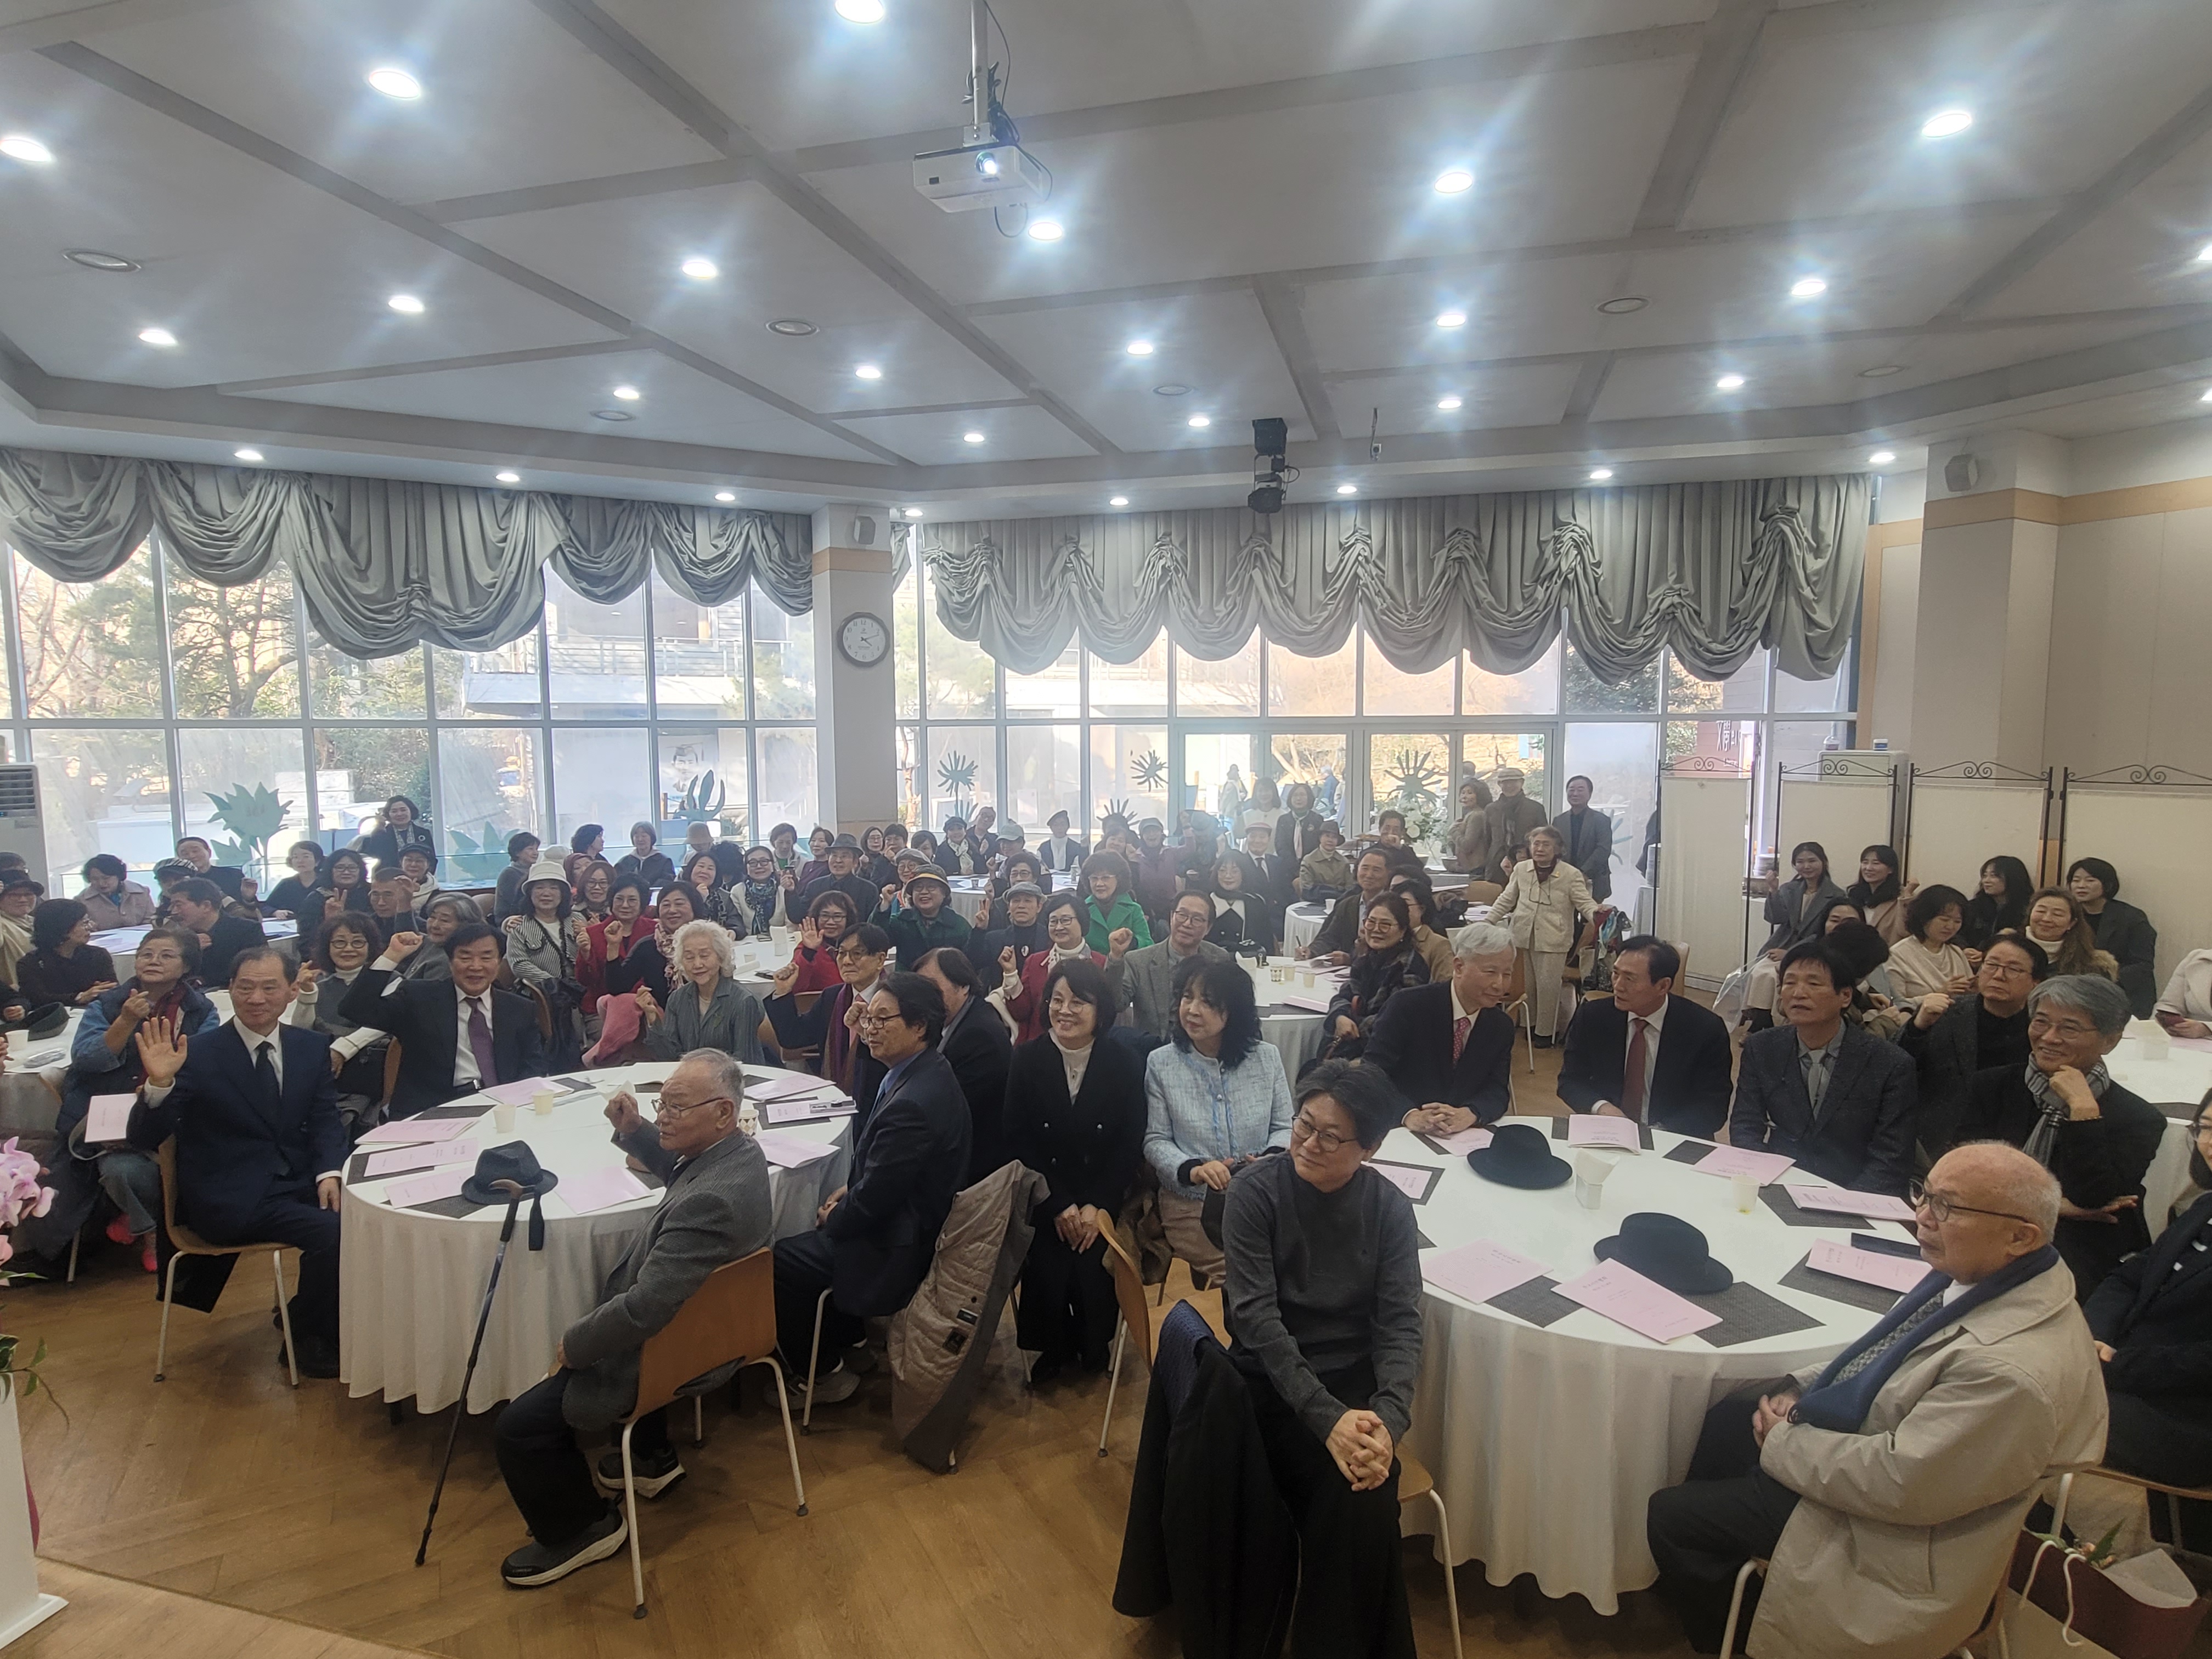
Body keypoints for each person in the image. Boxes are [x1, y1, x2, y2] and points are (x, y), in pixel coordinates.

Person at [1646, 1142, 2104, 1658]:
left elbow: (1901, 1484)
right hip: (1874, 1452)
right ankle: (1722, 1578)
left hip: (1891, 1533)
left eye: (1947, 1207)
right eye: (1924, 1194)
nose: (1921, 1215)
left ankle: (1746, 1636)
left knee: (1671, 1516)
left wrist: (1783, 1442)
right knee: (1728, 1414)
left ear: (2021, 1236)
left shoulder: (2011, 1374)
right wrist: (1798, 1388)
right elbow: (1883, 1358)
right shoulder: (1992, 1276)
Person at [492, 1049, 772, 1588]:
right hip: (714, 1329)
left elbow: (644, 1309)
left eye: (676, 1107)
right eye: (661, 1104)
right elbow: (685, 1174)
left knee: (518, 1428)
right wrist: (635, 1130)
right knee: (637, 1319)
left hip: (677, 1349)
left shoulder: (710, 1203)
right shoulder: (740, 1154)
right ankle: (650, 1457)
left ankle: (585, 1528)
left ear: (722, 1113)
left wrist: (575, 1344)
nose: (663, 1115)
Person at [1221, 1060, 1423, 1659]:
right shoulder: (1255, 1193)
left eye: (1331, 1137)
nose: (1309, 1144)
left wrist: (1388, 1423)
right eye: (1304, 1125)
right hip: (1269, 1383)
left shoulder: (1389, 1208)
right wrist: (1328, 1419)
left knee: (1366, 1483)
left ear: (1371, 1148)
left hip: (1352, 1386)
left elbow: (1400, 1323)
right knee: (1357, 1494)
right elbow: (1257, 1321)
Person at [126, 947, 348, 1377]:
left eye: (269, 988)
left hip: (297, 1182)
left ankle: (308, 1315)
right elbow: (144, 1138)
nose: (256, 998)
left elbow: (325, 1118)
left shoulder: (309, 1047)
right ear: (230, 989)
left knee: (368, 1216)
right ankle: (308, 1340)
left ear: (292, 992)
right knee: (334, 1232)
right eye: (245, 987)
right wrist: (159, 1084)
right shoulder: (196, 1052)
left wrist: (329, 1171)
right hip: (230, 1194)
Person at [771, 974, 971, 1406]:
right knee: (824, 1220)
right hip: (912, 1214)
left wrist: (836, 1218)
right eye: (868, 1018)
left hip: (900, 1243)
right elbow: (886, 1176)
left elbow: (876, 1202)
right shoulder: (926, 1069)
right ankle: (853, 1342)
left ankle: (824, 1376)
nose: (870, 1028)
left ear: (919, 1026)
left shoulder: (913, 1103)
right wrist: (852, 1189)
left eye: (883, 1020)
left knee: (782, 1258)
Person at [14, 927, 217, 1276]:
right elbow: (86, 1060)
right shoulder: (108, 1004)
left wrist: (160, 1084)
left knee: (196, 1158)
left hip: (173, 1113)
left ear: (186, 966)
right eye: (146, 954)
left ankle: (140, 1219)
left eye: (166, 955)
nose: (153, 961)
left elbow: (207, 1067)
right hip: (107, 1120)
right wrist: (125, 1021)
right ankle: (149, 1230)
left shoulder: (199, 1010)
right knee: (119, 1170)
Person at [1954, 973, 2166, 1301]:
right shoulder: (1992, 1086)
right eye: (2041, 1022)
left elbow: (2093, 1197)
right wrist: (2058, 1206)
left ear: (2110, 1041)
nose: (2049, 1037)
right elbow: (1964, 1175)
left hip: (2080, 1251)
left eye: (2069, 1028)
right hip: (1987, 1233)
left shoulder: (2139, 1118)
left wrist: (2083, 1111)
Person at [1004, 958, 1146, 1385]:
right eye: (1056, 1000)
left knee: (1093, 1262)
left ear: (1101, 1010)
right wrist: (1059, 1204)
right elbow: (1018, 1139)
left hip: (1102, 1190)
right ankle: (1053, 1347)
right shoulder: (1027, 1059)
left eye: (1078, 1002)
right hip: (1046, 1190)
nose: (1064, 1011)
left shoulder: (1123, 1063)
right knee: (1048, 1260)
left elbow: (1129, 1144)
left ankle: (1094, 1344)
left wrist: (1098, 1205)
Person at [2085, 1092, 2212, 1530]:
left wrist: (2115, 1365)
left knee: (2020, 1405)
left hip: (2189, 1421)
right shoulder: (2204, 1207)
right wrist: (2094, 1337)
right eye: (2206, 1127)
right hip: (2130, 1385)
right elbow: (2129, 1278)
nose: (2211, 1142)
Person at [1142, 957, 1293, 1283]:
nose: (1192, 1010)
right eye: (1187, 997)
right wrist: (1194, 1169)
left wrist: (1269, 1159)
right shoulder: (1162, 1063)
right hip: (1193, 1206)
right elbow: (1156, 1140)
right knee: (1247, 1279)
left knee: (1295, 1269)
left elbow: (1284, 1127)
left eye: (1208, 1002)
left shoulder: (1266, 1058)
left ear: (1234, 1010)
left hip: (1262, 1199)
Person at [1728, 940, 1918, 1195]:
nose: (1798, 993)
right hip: (1778, 1183)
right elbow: (1745, 1126)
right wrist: (1765, 1184)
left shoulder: (1890, 1063)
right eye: (1790, 983)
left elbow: (1891, 1157)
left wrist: (1845, 1203)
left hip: (1853, 1192)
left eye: (1814, 984)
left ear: (1845, 996)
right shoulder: (1762, 1048)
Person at [340, 923, 548, 1116]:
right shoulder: (419, 998)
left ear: (499, 962)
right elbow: (356, 1010)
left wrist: (518, 1103)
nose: (476, 966)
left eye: (486, 958)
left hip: (504, 1106)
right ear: (450, 962)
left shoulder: (520, 1008)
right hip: (436, 1109)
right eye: (465, 957)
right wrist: (392, 956)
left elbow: (532, 1064)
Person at [1557, 936, 1733, 1135]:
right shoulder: (1594, 1016)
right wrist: (1602, 1108)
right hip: (1608, 1132)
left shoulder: (1704, 1029)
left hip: (1673, 1136)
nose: (1618, 986)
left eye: (1630, 979)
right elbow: (1570, 1081)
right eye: (1616, 974)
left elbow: (1712, 1107)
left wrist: (1655, 1133)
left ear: (1663, 986)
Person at [1900, 934, 2048, 1157]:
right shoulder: (1946, 1013)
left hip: (2016, 1142)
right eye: (1991, 965)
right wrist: (1918, 1027)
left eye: (2013, 969)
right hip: (1939, 1137)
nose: (1998, 976)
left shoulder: (2043, 1028)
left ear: (2036, 982)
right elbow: (1898, 1068)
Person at [1365, 920, 1517, 1133]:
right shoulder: (1408, 1006)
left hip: (1462, 1135)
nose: (1499, 985)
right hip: (1399, 1129)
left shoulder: (1500, 1026)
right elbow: (1372, 1073)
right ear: (1459, 967)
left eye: (1507, 974)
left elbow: (1497, 1089)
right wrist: (1409, 1115)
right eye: (1490, 972)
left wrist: (1471, 1112)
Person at [1483, 822, 1593, 1046]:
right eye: (1536, 844)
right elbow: (1507, 899)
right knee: (1530, 986)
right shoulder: (1521, 869)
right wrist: (1488, 921)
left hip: (1554, 937)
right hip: (1524, 935)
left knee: (1548, 987)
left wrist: (1598, 914)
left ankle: (1546, 1032)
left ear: (1558, 849)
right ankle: (1530, 1025)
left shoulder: (1571, 874)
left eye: (1546, 845)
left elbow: (1585, 903)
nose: (1540, 849)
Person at [915, 948, 1014, 1185]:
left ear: (963, 986)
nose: (922, 996)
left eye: (932, 986)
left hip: (973, 1168)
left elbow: (948, 1111)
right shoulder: (958, 1019)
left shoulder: (979, 1035)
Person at [763, 924, 890, 1099]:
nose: (847, 961)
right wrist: (784, 992)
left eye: (857, 954)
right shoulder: (833, 997)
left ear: (880, 960)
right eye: (842, 953)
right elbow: (793, 1038)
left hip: (883, 1097)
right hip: (834, 1097)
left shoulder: (896, 1000)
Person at [287, 913, 388, 1130]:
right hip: (322, 1079)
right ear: (328, 948)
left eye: (358, 942)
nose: (348, 949)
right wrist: (307, 994)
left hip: (370, 1081)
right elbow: (300, 1031)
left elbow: (385, 1024)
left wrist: (343, 1049)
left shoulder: (389, 981)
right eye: (340, 943)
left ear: (370, 946)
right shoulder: (320, 984)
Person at [1739, 842, 1848, 1030]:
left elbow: (1825, 933)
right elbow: (1775, 918)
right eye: (1800, 862)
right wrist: (1773, 890)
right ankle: (1760, 1021)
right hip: (1782, 944)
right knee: (1758, 973)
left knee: (1775, 976)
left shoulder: (1836, 895)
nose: (1806, 866)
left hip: (1814, 950)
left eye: (1812, 861)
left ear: (1823, 862)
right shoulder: (1790, 889)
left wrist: (1791, 952)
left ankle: (1769, 1025)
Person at [635, 921, 764, 1063]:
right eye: (689, 958)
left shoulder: (743, 1001)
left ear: (720, 957)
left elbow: (746, 1061)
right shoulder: (677, 999)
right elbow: (669, 1057)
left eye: (704, 956)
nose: (697, 964)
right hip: (689, 1074)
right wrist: (653, 1018)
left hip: (730, 1075)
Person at [1322, 893, 1428, 1064]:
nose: (1376, 929)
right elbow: (1344, 995)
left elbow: (1395, 1021)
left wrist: (1354, 1028)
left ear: (1402, 930)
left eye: (1385, 925)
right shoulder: (1365, 961)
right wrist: (1340, 1017)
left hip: (1388, 1056)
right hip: (1357, 1046)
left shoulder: (1410, 968)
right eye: (1371, 922)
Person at [1113, 890, 1228, 1043]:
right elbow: (1117, 1004)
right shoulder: (1139, 960)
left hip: (1203, 1046)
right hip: (1153, 1047)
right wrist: (1115, 958)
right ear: (1171, 917)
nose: (1187, 924)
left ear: (1208, 927)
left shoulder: (1218, 958)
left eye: (1197, 919)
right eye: (1182, 915)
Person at [504, 858, 589, 1065]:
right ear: (530, 894)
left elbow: (590, 957)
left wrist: (588, 939)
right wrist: (553, 983)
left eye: (553, 888)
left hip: (580, 992)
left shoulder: (577, 920)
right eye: (540, 888)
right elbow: (519, 964)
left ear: (563, 894)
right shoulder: (519, 927)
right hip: (540, 996)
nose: (546, 893)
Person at [1000, 892, 1109, 1045]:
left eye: (1065, 920)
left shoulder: (1100, 963)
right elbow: (1021, 1013)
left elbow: (1105, 1013)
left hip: (1087, 1045)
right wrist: (1010, 973)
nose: (1059, 927)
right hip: (1040, 1045)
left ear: (1082, 922)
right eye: (1053, 921)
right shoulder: (1035, 962)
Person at [2067, 856, 2159, 1018]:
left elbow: (2142, 964)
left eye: (2090, 880)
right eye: (2076, 880)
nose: (2081, 885)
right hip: (2072, 993)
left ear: (2107, 885)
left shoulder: (2131, 918)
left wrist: (2103, 978)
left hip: (2121, 994)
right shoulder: (2067, 915)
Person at [605, 882, 702, 1008]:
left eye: (679, 904)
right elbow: (617, 987)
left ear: (695, 907)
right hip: (661, 1016)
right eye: (666, 905)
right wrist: (613, 946)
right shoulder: (649, 946)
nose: (672, 910)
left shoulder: (710, 941)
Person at [1884, 883, 1976, 1003]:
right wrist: (1940, 994)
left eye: (1957, 921)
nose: (1950, 926)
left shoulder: (1956, 952)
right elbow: (1893, 1003)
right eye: (1944, 919)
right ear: (1924, 918)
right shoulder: (1897, 955)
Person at [16, 900, 117, 1008]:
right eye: (84, 923)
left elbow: (113, 989)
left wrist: (100, 992)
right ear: (63, 928)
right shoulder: (30, 964)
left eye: (88, 922)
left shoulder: (98, 955)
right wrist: (80, 997)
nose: (89, 928)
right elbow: (38, 999)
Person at [166, 877, 266, 985]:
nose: (173, 912)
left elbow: (255, 972)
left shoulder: (247, 930)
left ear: (206, 906)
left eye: (178, 905)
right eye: (172, 906)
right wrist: (191, 950)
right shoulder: (177, 938)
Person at [874, 869, 974, 973]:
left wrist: (980, 931)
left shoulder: (958, 925)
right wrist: (885, 904)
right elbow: (876, 942)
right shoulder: (901, 921)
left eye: (931, 887)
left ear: (944, 893)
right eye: (918, 887)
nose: (924, 892)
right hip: (907, 981)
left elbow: (971, 961)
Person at [580, 874, 650, 1020]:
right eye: (619, 899)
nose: (625, 905)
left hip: (646, 1006)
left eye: (632, 900)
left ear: (642, 904)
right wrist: (586, 954)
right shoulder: (592, 933)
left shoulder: (655, 930)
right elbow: (585, 981)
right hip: (602, 1009)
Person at [1307, 846, 1392, 962]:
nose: (1369, 875)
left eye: (1376, 870)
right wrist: (1311, 951)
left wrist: (1351, 959)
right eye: (1365, 868)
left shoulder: (1393, 907)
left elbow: (1391, 950)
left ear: (1389, 874)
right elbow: (1329, 938)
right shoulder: (1348, 904)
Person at [2023, 886, 2118, 981]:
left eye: (2057, 914)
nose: (2047, 919)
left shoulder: (2091, 965)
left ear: (2072, 923)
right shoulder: (2013, 947)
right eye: (2041, 911)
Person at [1553, 774, 1613, 903]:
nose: (1575, 794)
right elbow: (1555, 849)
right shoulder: (1559, 821)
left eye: (1580, 790)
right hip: (1564, 879)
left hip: (1593, 879)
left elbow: (1603, 850)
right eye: (1571, 790)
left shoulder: (1601, 820)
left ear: (1590, 794)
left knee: (1591, 914)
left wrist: (1583, 873)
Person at [1480, 766, 1547, 882]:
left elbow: (1544, 838)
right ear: (1499, 784)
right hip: (1496, 864)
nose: (1510, 786)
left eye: (1514, 782)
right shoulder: (1491, 809)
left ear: (1522, 783)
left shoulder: (1535, 808)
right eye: (1506, 782)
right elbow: (1487, 839)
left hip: (1527, 862)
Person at [1204, 851, 1278, 954]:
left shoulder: (1256, 903)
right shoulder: (1206, 902)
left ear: (1244, 873)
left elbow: (1267, 944)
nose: (1228, 876)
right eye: (1223, 870)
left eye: (1235, 871)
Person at [971, 879, 1047, 978]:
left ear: (1039, 907)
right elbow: (974, 963)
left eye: (1028, 901)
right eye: (1016, 901)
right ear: (1009, 907)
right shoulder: (995, 939)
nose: (1021, 906)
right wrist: (980, 930)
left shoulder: (1049, 938)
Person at [786, 890, 858, 995]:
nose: (830, 922)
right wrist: (809, 952)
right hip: (823, 1004)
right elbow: (794, 986)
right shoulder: (807, 949)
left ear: (848, 919)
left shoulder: (857, 948)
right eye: (825, 916)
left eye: (837, 917)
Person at [1078, 852, 1151, 955]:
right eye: (1094, 878)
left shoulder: (1134, 909)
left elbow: (1149, 944)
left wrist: (1133, 942)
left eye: (1106, 878)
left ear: (1119, 879)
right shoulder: (1081, 910)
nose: (1099, 884)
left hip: (1125, 963)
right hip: (1091, 963)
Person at [1961, 854, 2035, 952]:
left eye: (1994, 876)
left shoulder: (2028, 910)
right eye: (1985, 876)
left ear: (2012, 878)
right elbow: (1958, 936)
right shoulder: (1973, 907)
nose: (1986, 881)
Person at [1847, 844, 1915, 944]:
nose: (1868, 868)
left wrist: (1908, 895)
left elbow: (1906, 932)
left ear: (1891, 869)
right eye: (1865, 862)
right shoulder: (1854, 894)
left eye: (1876, 863)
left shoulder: (1901, 898)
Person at [353, 795, 434, 872]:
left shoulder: (423, 833)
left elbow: (432, 859)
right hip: (389, 878)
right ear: (388, 814)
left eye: (403, 810)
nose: (399, 814)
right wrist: (379, 828)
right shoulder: (382, 834)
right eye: (394, 811)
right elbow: (376, 854)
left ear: (411, 811)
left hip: (419, 877)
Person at [75, 854, 155, 930]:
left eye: (106, 878)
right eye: (95, 879)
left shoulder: (142, 893)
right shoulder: (81, 901)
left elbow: (151, 921)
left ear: (119, 876)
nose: (101, 883)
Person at [730, 844, 789, 938]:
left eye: (764, 861)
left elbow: (791, 926)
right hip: (749, 942)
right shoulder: (737, 891)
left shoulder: (784, 888)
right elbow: (737, 925)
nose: (759, 866)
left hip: (782, 940)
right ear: (746, 868)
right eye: (753, 863)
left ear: (772, 865)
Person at [258, 841, 327, 921]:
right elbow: (266, 906)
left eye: (306, 856)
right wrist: (275, 912)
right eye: (295, 857)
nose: (300, 861)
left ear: (318, 861)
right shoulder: (287, 884)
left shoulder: (326, 883)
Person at [1129, 818, 1181, 919]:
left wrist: (1186, 826)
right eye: (1147, 832)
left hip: (1170, 905)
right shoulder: (1136, 857)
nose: (1152, 834)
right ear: (1142, 836)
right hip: (1146, 907)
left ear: (1161, 833)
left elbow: (1190, 849)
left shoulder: (1170, 852)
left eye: (1155, 831)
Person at [173, 834, 249, 902]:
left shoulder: (233, 875)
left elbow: (248, 906)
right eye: (185, 854)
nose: (191, 856)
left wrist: (248, 898)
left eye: (195, 851)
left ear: (209, 852)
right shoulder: (179, 882)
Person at [2156, 946, 2212, 1037]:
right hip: (2183, 1041)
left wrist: (2207, 1029)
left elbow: (2204, 1029)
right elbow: (2169, 1005)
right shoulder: (2196, 958)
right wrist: (2165, 1024)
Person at [1295, 820, 1353, 900]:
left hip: (1340, 903)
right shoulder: (1308, 861)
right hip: (1314, 902)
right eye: (1327, 836)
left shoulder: (1344, 862)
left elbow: (1350, 889)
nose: (1330, 840)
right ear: (1320, 838)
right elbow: (1307, 891)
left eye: (1334, 837)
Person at [1449, 776, 1492, 876]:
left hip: (1475, 869)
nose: (1464, 797)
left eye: (1470, 793)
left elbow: (1467, 846)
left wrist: (1453, 831)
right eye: (1463, 793)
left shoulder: (1477, 815)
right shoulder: (1472, 814)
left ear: (1480, 795)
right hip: (1471, 868)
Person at [1276, 780, 1325, 866]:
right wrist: (1293, 865)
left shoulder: (1317, 820)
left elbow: (1319, 846)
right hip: (1287, 866)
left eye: (1302, 795)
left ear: (1309, 797)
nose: (1298, 798)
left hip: (1312, 866)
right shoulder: (1283, 820)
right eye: (1295, 795)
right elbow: (1280, 846)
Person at [494, 831, 541, 922]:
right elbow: (516, 905)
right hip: (511, 920)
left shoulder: (535, 871)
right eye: (530, 849)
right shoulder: (509, 874)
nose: (536, 853)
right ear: (517, 852)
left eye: (536, 849)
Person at [615, 821, 675, 887]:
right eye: (637, 836)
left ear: (652, 838)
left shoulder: (664, 862)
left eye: (644, 836)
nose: (640, 839)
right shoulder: (623, 863)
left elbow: (667, 883)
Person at [321, 847, 373, 920]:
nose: (346, 872)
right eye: (340, 868)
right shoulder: (318, 897)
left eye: (352, 868)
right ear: (330, 870)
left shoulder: (372, 893)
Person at [1036, 809, 1088, 876]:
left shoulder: (1076, 847)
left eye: (1063, 824)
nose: (1060, 828)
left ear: (1068, 826)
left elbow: (1078, 870)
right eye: (1056, 825)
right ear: (1051, 828)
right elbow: (1039, 868)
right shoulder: (1043, 848)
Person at [397, 845, 442, 912]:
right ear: (401, 862)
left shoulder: (436, 895)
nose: (413, 865)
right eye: (409, 860)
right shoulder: (390, 884)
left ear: (428, 865)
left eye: (419, 861)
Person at [561, 823, 606, 889]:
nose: (603, 841)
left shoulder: (603, 861)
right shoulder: (574, 861)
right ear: (590, 839)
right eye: (599, 837)